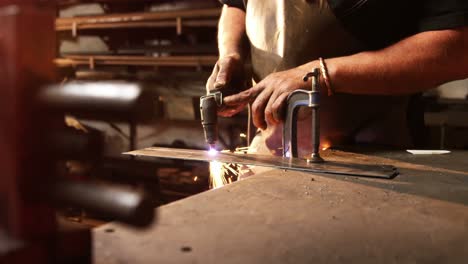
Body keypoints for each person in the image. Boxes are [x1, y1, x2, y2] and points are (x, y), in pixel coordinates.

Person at [206, 0, 468, 157]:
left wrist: (320, 74)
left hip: (373, 156)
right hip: (271, 151)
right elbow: (236, 4)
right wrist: (231, 53)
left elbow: (459, 49)